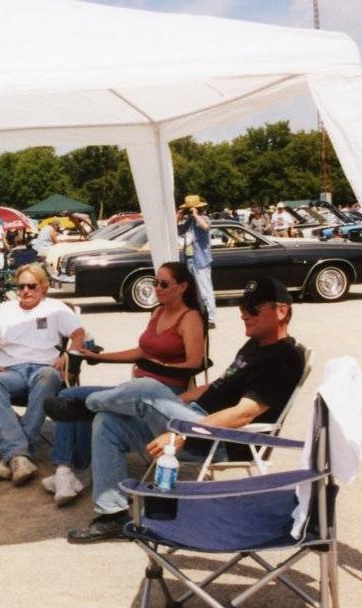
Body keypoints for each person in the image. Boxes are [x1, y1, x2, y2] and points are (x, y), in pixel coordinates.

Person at [67, 276, 305, 543]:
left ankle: (83, 403)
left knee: (146, 386)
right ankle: (112, 515)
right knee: (108, 421)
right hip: (195, 420)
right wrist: (174, 404)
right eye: (241, 309)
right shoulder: (255, 346)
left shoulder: (284, 358)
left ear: (281, 310)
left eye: (252, 309)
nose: (243, 316)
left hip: (222, 440)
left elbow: (244, 414)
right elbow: (217, 386)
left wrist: (183, 432)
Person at [42, 262, 205, 506]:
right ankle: (68, 468)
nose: (157, 288)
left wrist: (157, 367)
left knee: (81, 404)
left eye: (164, 284)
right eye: (155, 282)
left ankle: (74, 471)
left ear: (182, 287)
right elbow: (141, 351)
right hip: (134, 391)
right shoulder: (158, 312)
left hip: (162, 397)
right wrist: (100, 357)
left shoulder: (190, 318)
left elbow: (195, 363)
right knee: (70, 395)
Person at [0, 263, 85, 485]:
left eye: (32, 286)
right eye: (21, 286)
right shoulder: (5, 309)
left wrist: (67, 355)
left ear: (43, 287)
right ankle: (20, 455)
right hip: (11, 371)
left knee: (47, 376)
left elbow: (79, 334)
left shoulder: (56, 308)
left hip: (45, 368)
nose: (25, 291)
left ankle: (14, 455)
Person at [177, 195, 215, 328]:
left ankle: (211, 318)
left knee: (205, 290)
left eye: (191, 209)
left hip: (201, 260)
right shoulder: (189, 222)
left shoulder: (204, 218)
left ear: (198, 208)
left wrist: (196, 215)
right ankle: (199, 315)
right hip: (190, 259)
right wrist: (179, 216)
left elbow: (206, 227)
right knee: (194, 291)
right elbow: (176, 230)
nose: (189, 212)